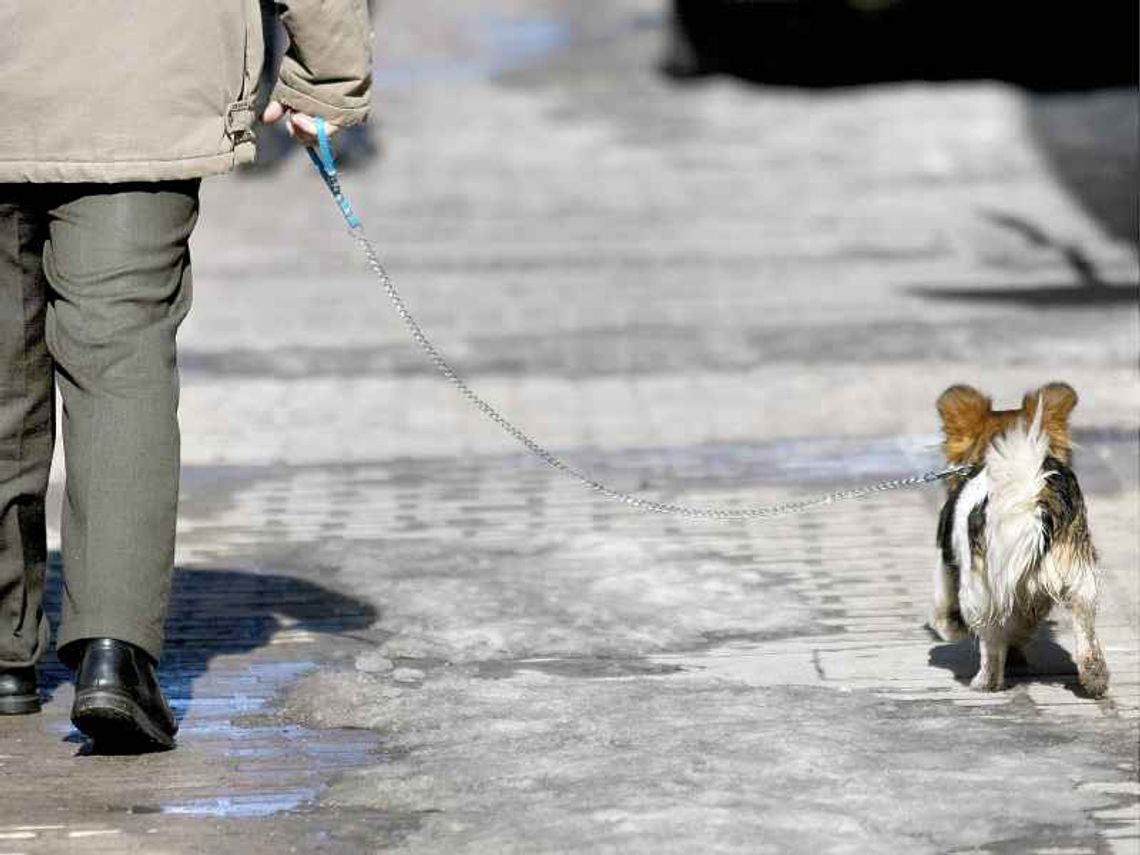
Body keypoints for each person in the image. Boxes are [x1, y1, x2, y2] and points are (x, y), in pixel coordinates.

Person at [0, 0, 371, 752]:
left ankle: (5, 656)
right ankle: (115, 654)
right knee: (121, 360)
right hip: (146, 83)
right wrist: (328, 79)